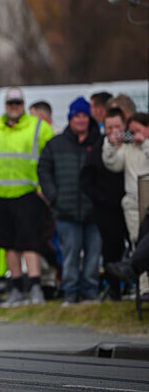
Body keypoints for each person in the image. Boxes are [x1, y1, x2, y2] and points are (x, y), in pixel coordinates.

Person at [0, 87, 55, 307]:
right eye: (10, 103)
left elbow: (51, 157)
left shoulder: (38, 127)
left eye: (18, 103)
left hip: (28, 195)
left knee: (30, 244)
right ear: (5, 105)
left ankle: (35, 287)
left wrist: (45, 189)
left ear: (23, 104)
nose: (14, 107)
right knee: (8, 245)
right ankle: (16, 288)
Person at [37, 97, 102, 305]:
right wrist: (53, 197)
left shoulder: (100, 142)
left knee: (93, 253)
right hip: (66, 210)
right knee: (70, 253)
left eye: (84, 116)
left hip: (95, 209)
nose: (81, 120)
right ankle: (71, 292)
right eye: (77, 116)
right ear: (70, 119)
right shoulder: (56, 144)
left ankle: (91, 291)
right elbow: (43, 170)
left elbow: (124, 137)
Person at [81, 108, 129, 300]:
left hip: (132, 205)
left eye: (117, 127)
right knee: (111, 251)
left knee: (137, 247)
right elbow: (86, 179)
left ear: (125, 125)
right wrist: (100, 199)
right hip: (107, 210)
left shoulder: (133, 141)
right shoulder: (99, 146)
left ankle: (139, 287)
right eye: (109, 127)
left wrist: (126, 137)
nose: (113, 131)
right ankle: (113, 289)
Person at [102, 111, 149, 298]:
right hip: (133, 203)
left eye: (137, 130)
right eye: (131, 131)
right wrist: (110, 144)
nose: (133, 134)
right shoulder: (128, 148)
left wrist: (144, 143)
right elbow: (112, 164)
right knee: (137, 244)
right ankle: (144, 287)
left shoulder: (144, 145)